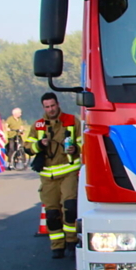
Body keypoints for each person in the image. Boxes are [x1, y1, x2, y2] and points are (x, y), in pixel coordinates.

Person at [24, 93, 83, 259]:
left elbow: (83, 142)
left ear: (58, 104)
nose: (50, 109)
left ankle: (71, 241)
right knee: (52, 213)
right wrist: (39, 145)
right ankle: (57, 246)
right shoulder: (38, 125)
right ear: (43, 107)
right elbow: (27, 147)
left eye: (52, 105)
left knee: (70, 207)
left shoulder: (72, 121)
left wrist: (76, 149)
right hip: (48, 176)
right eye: (47, 107)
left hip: (68, 171)